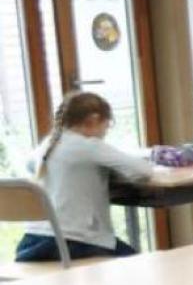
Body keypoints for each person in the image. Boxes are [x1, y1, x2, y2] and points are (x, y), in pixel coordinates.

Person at [14, 92, 152, 261]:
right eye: (106, 126)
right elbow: (143, 171)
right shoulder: (90, 147)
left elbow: (30, 165)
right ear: (94, 120)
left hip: (32, 243)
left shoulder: (48, 144)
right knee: (139, 263)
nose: (105, 133)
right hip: (75, 242)